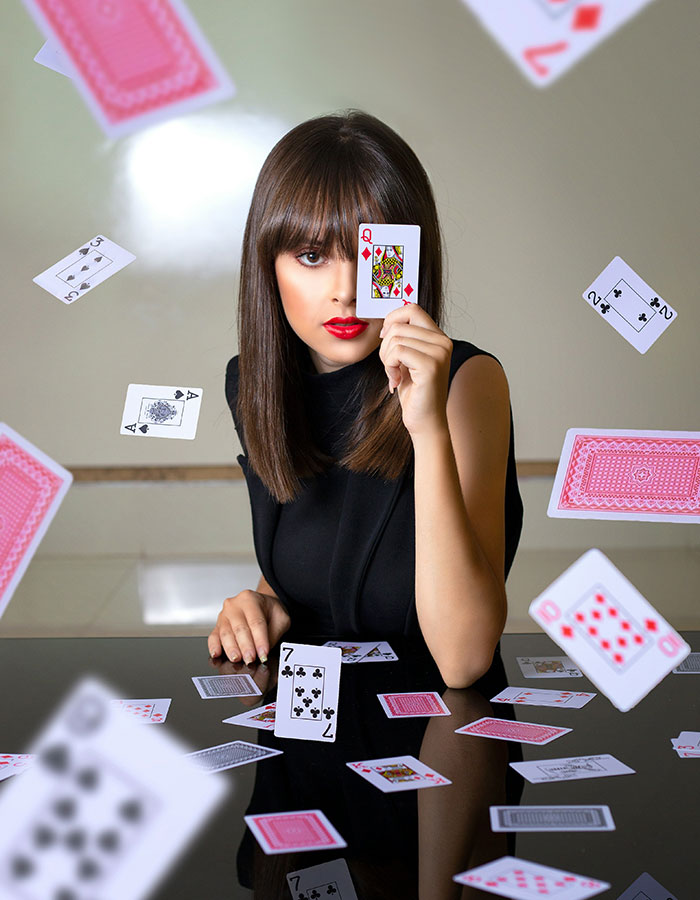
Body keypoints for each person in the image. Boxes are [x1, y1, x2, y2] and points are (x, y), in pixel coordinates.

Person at [208, 110, 522, 689]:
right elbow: (317, 557)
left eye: (372, 255)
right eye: (311, 256)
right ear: (267, 266)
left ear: (411, 259)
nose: (346, 290)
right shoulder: (252, 384)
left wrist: (427, 427)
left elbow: (463, 659)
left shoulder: (467, 382)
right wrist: (264, 603)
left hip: (436, 726)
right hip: (304, 730)